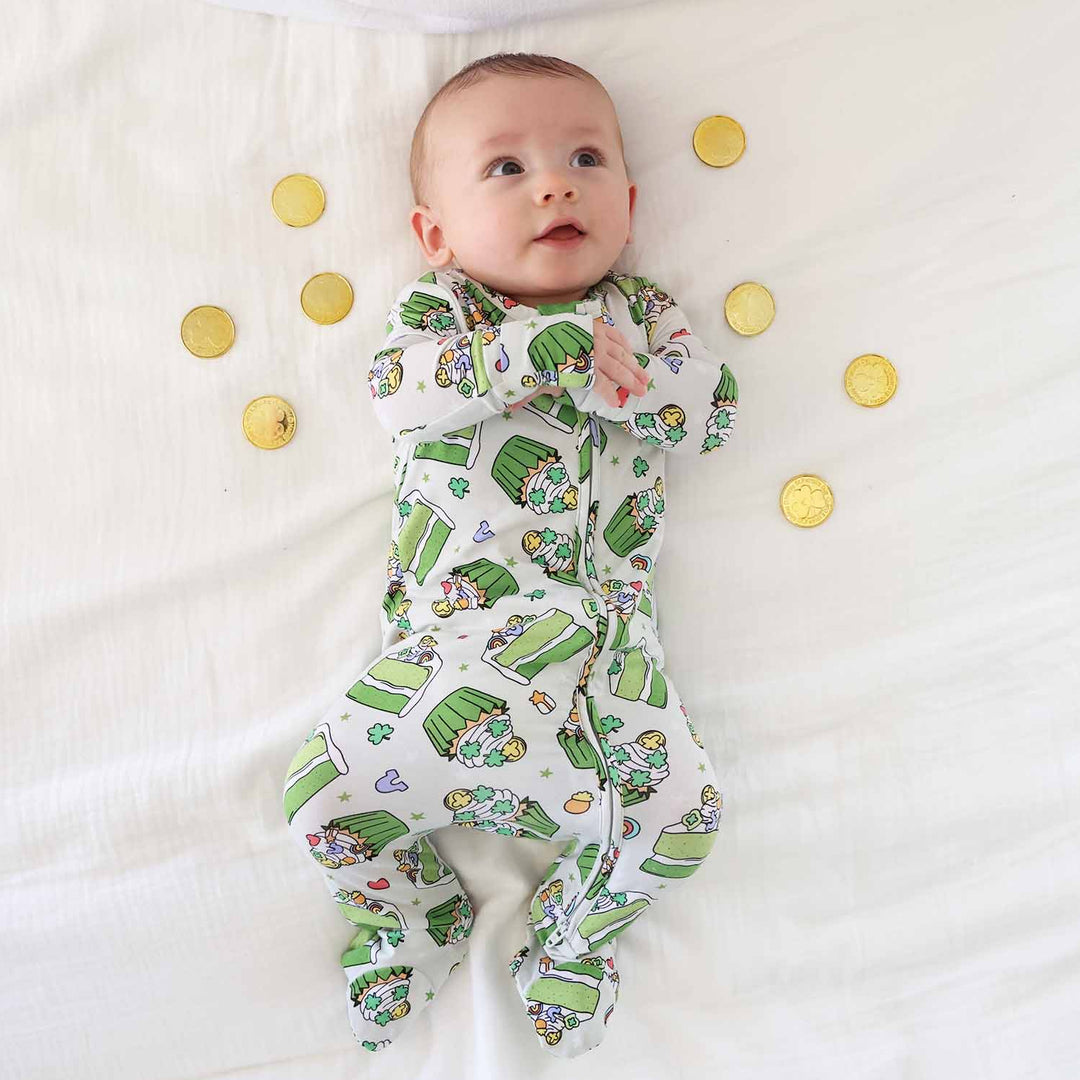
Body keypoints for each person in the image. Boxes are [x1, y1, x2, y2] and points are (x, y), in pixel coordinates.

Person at [281, 50, 739, 1059]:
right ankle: (412, 917)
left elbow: (709, 415)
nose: (553, 183)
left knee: (688, 821)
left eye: (584, 156)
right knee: (318, 797)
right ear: (435, 233)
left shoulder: (644, 316)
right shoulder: (443, 317)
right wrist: (534, 353)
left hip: (604, 668)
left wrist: (620, 382)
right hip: (450, 652)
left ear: (626, 197)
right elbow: (402, 396)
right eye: (506, 167)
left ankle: (575, 939)